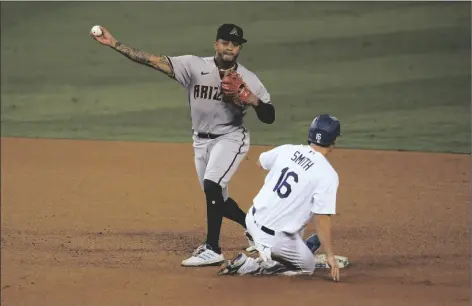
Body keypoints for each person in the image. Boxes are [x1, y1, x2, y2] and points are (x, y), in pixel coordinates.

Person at [90, 23, 275, 267]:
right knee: (216, 196)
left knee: (211, 186)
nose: (230, 48)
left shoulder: (249, 79)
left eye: (235, 44)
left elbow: (269, 116)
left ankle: (212, 248)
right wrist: (114, 44)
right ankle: (254, 228)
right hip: (200, 140)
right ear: (216, 44)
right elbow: (151, 60)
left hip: (231, 138)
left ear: (239, 48)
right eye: (225, 43)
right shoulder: (194, 66)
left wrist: (250, 98)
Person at [217, 114, 343, 281]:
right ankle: (253, 265)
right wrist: (330, 256)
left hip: (252, 219)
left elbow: (260, 162)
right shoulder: (328, 174)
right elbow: (321, 218)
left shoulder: (288, 149)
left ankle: (291, 248)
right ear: (333, 141)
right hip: (275, 240)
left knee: (299, 204)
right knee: (308, 267)